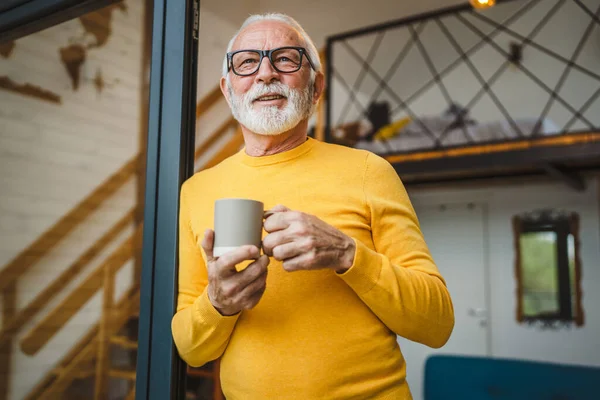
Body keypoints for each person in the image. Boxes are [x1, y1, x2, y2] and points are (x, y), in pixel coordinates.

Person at [171, 13, 454, 400]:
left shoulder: (369, 171)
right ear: (228, 88)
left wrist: (346, 253)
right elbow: (192, 348)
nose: (266, 73)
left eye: (286, 59)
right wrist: (218, 304)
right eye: (247, 61)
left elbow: (437, 324)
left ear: (316, 86)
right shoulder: (196, 190)